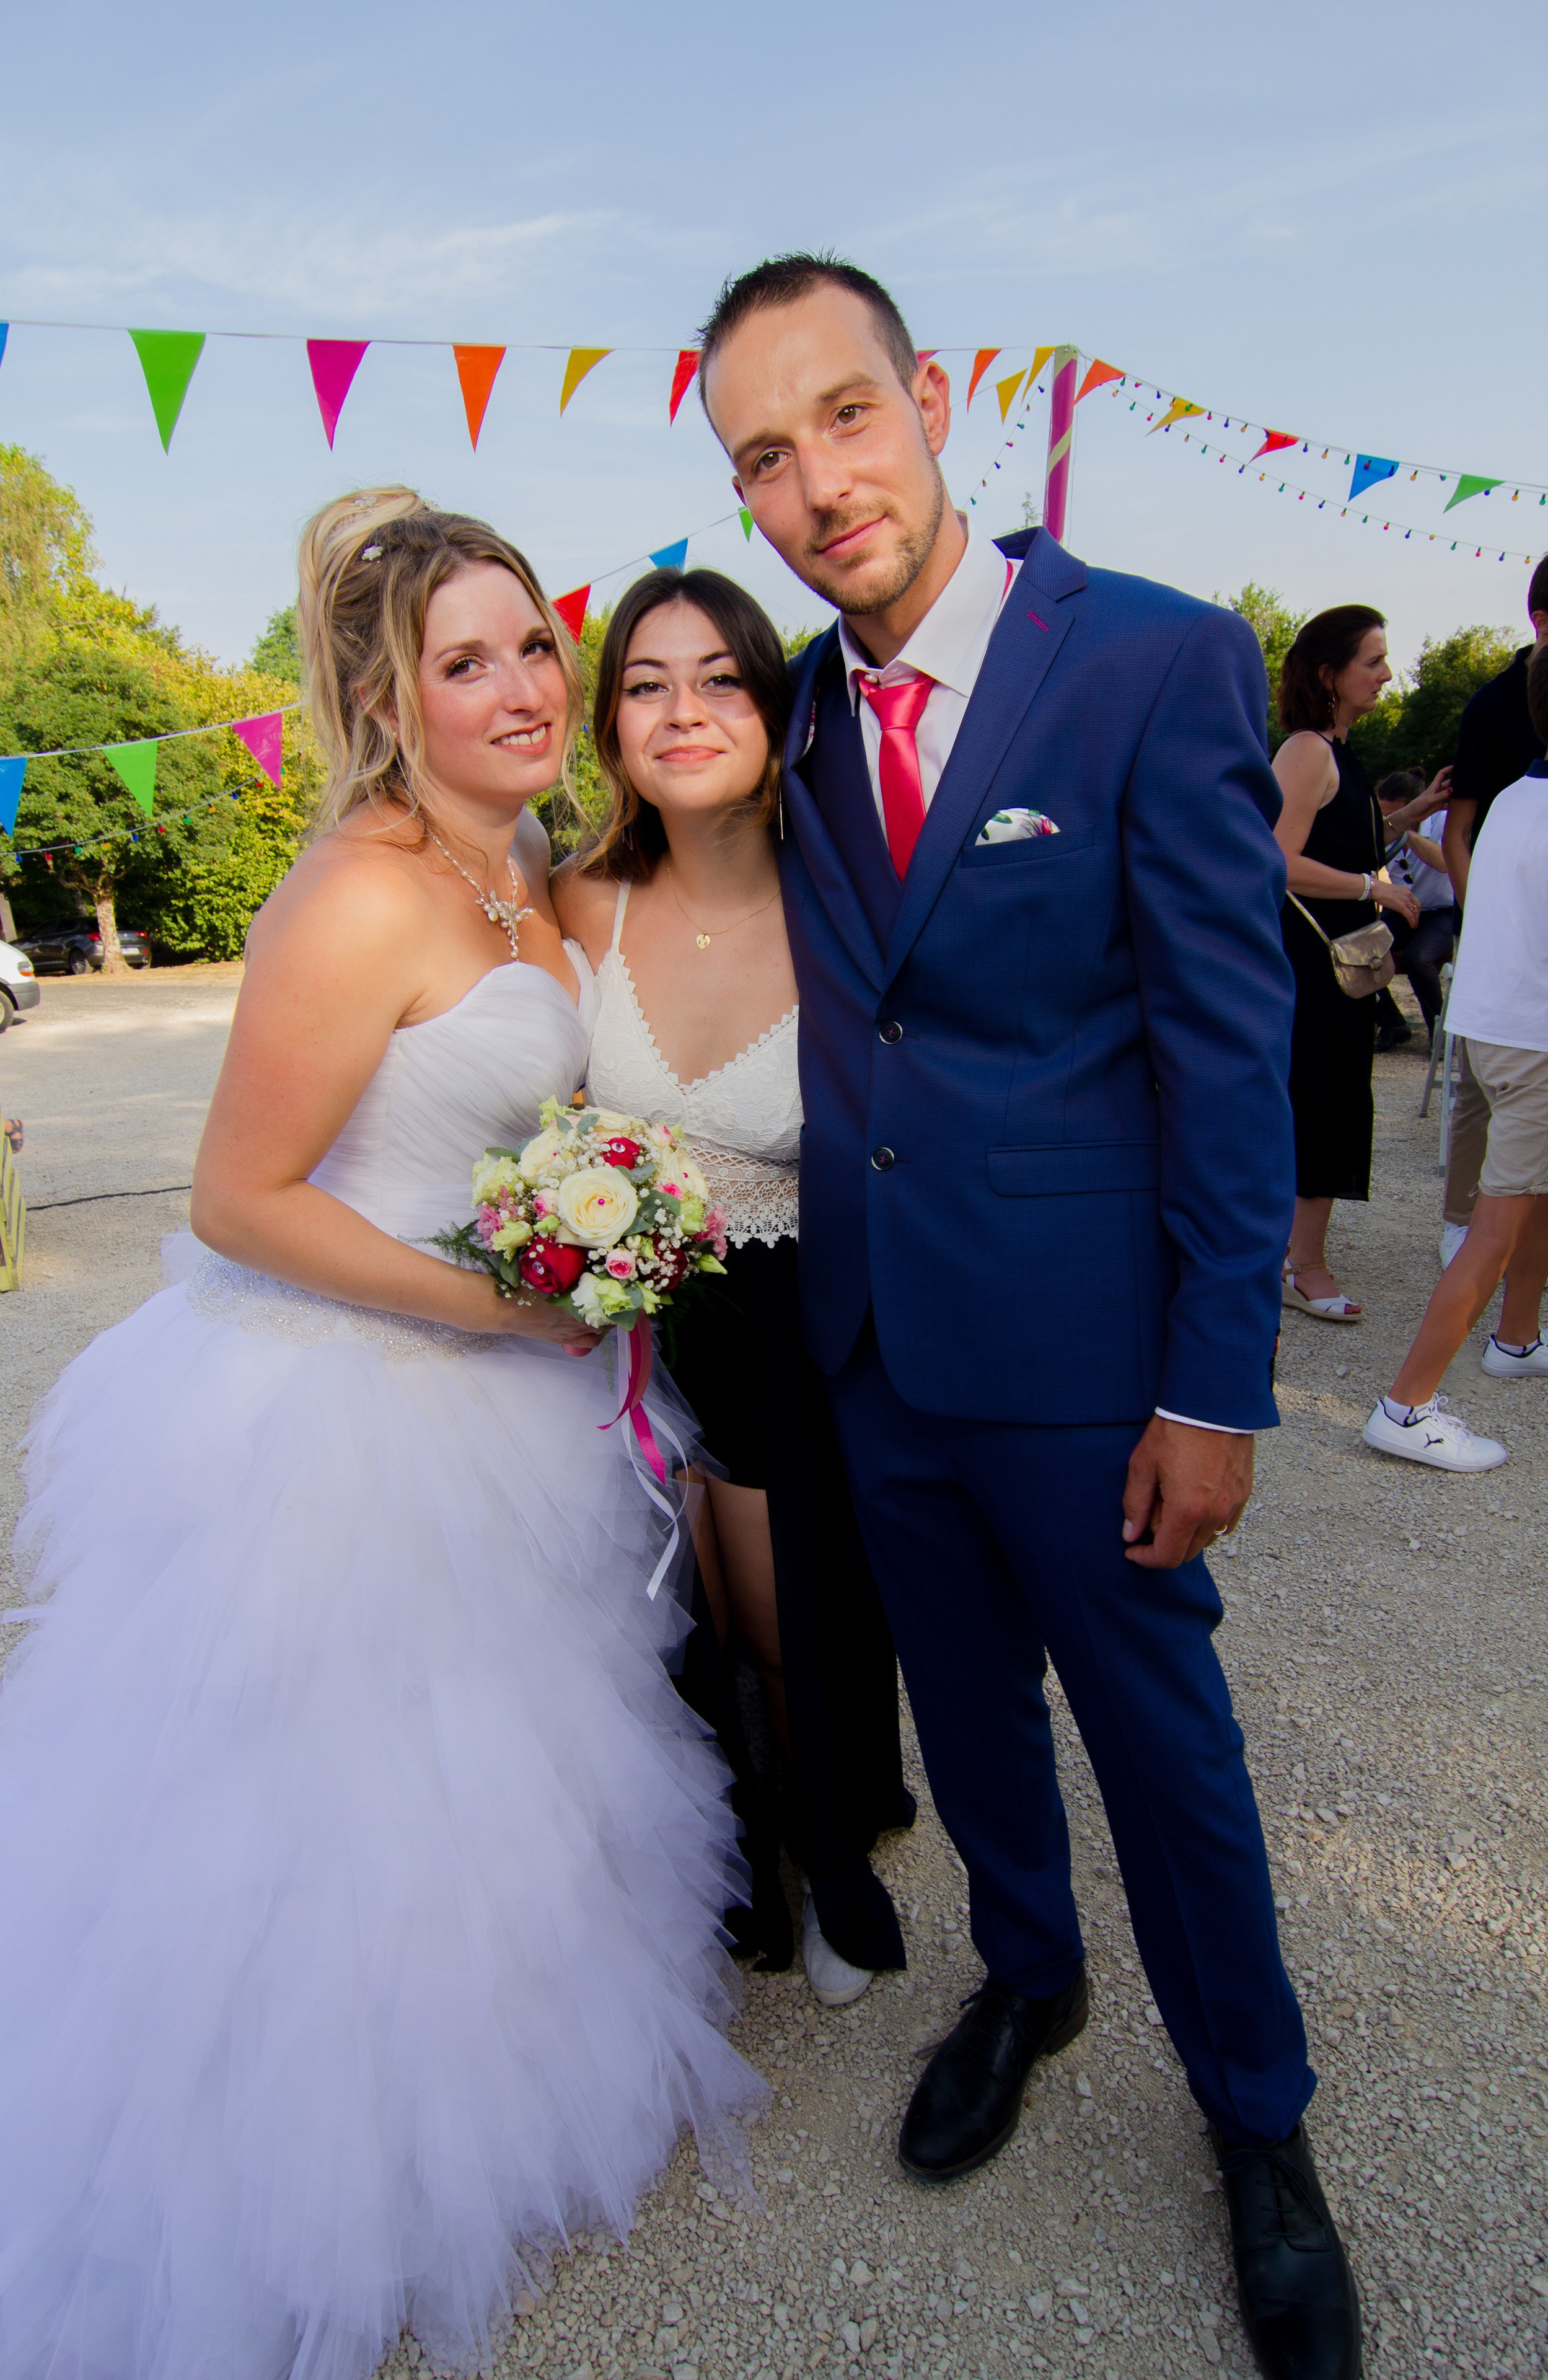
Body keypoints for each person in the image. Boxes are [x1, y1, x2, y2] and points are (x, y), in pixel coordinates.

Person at [0, 491, 765, 2380]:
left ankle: (486, 2053)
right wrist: (506, 1302)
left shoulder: (533, 873)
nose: (511, 688)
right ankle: (286, 2153)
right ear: (387, 699)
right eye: (459, 661)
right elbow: (242, 1194)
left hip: (518, 1394)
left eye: (525, 649)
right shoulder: (358, 887)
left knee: (498, 1757)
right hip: (344, 1408)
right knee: (311, 1807)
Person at [697, 253, 1361, 2380]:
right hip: (883, 1348)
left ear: (932, 403)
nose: (816, 486)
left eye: (845, 419)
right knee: (970, 1719)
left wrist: (1212, 1379)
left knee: (1168, 1751)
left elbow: (1227, 1049)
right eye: (761, 459)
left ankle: (1260, 2123)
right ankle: (1030, 1975)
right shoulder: (791, 712)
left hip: (1093, 1365)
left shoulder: (1154, 663)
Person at [556, 565, 915, 2008]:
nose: (681, 708)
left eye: (718, 677)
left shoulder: (848, 899)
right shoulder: (575, 892)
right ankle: (716, 1861)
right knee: (653, 1616)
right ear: (611, 726)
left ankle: (829, 1854)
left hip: (789, 1317)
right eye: (645, 682)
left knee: (779, 1616)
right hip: (614, 1316)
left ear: (776, 707)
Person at [1364, 643, 1548, 1472]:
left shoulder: (1512, 799)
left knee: (1527, 1202)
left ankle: (1516, 1337)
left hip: (1498, 1028)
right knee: (1498, 1225)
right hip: (1534, 1040)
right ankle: (1407, 1405)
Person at [1272, 608, 1420, 1321]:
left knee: (1328, 1099)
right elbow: (1277, 860)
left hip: (1339, 964)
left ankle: (1293, 1255)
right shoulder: (1307, 750)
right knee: (1323, 1101)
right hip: (1312, 964)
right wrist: (1373, 888)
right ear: (1330, 674)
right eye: (1373, 660)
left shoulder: (1338, 750)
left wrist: (1414, 812)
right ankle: (1304, 1265)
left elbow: (1345, 841)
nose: (1386, 674)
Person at [1436, 557, 1548, 1266]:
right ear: (1541, 622)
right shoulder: (1493, 707)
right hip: (1502, 936)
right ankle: (1459, 1225)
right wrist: (1492, 930)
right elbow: (1456, 833)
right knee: (1484, 1089)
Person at [1374, 765, 1456, 1049]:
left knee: (1417, 959)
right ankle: (1393, 1023)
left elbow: (1445, 863)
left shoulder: (1444, 822)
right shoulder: (1383, 829)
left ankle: (1440, 1034)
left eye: (1393, 814)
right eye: (1384, 815)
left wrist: (1406, 832)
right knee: (1358, 950)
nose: (1388, 821)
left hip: (1443, 911)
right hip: (1402, 909)